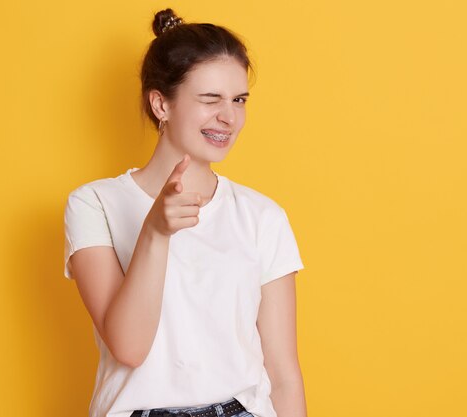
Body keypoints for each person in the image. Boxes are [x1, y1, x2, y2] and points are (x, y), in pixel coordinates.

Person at [63, 8, 307, 417]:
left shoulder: (262, 217)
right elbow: (129, 347)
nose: (228, 117)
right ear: (161, 104)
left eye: (239, 100)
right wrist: (155, 232)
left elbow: (283, 375)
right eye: (210, 99)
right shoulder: (94, 204)